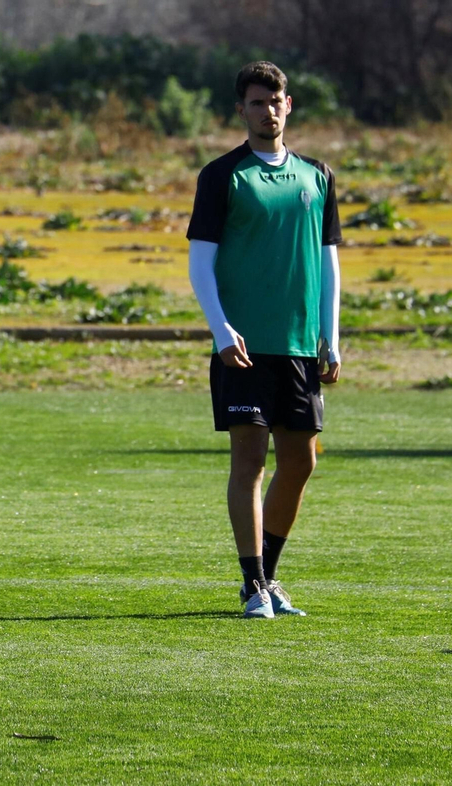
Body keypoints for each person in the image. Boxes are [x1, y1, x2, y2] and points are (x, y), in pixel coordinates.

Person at [185, 61, 343, 620]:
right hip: (243, 344)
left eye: (275, 101)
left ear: (289, 105)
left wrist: (332, 334)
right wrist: (220, 328)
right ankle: (253, 584)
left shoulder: (317, 175)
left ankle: (269, 577)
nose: (267, 110)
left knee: (300, 462)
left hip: (300, 343)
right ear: (242, 110)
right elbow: (199, 261)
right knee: (250, 457)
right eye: (256, 102)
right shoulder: (222, 175)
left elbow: (328, 261)